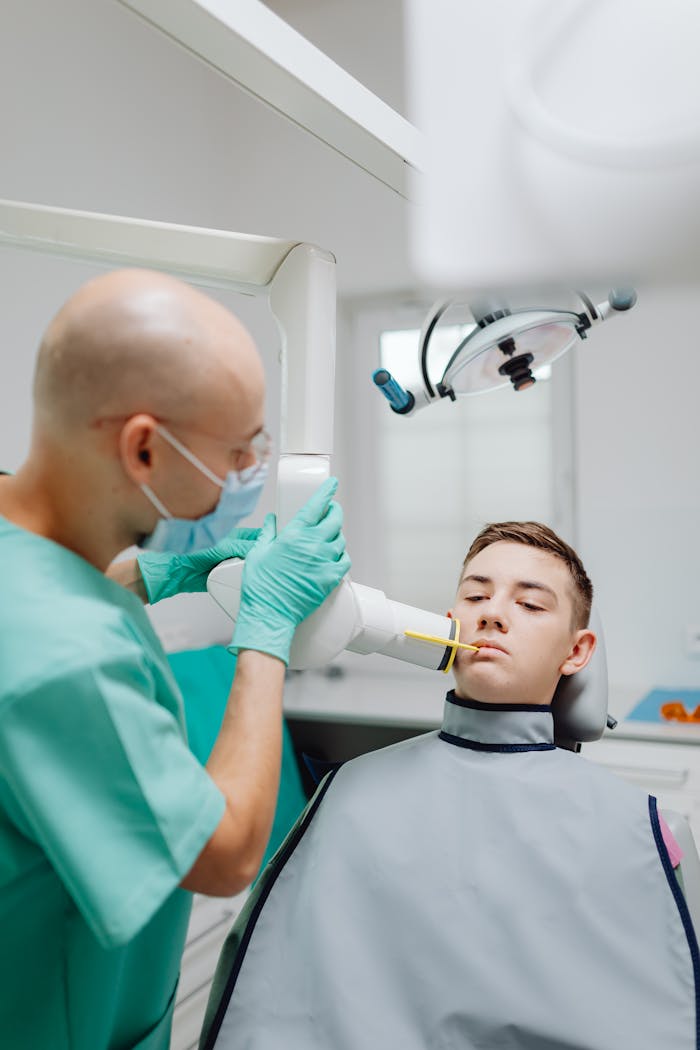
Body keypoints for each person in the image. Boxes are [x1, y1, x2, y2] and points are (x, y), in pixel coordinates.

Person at [0, 269, 350, 1050]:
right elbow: (225, 856)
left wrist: (157, 569)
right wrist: (268, 629)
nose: (248, 476)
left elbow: (42, 573)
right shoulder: (66, 659)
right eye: (237, 452)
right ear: (145, 448)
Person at [200, 522, 698, 1050]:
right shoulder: (347, 793)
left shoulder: (639, 828)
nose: (492, 613)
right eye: (476, 595)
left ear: (577, 652)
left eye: (530, 605)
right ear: (447, 624)